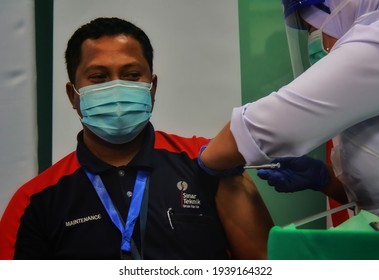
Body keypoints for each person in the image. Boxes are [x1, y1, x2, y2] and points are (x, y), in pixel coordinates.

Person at [0, 17, 273, 260]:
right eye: (98, 77)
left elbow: (266, 266)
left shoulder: (210, 162)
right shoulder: (35, 202)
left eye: (132, 76)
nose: (116, 87)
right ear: (73, 95)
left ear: (151, 88)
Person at [199, 0, 379, 219]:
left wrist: (207, 159)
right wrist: (324, 179)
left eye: (311, 29)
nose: (311, 41)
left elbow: (265, 129)